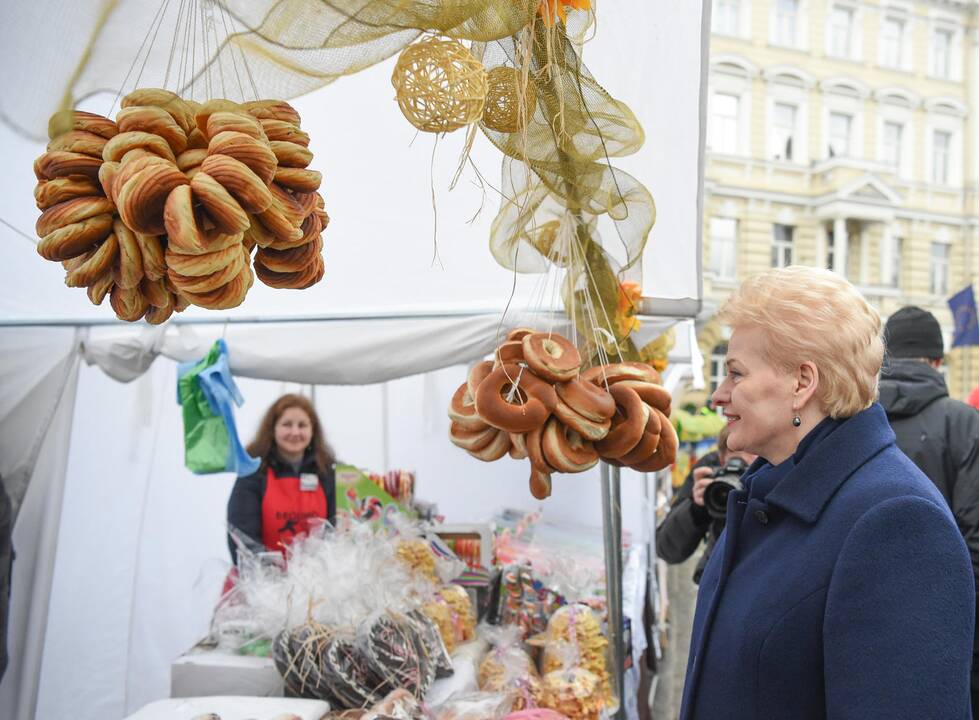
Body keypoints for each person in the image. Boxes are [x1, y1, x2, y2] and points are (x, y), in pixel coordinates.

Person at [680, 266, 974, 719]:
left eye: (736, 373)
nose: (719, 394)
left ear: (802, 383)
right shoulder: (768, 491)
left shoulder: (896, 522)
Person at [878, 305, 979, 707]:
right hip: (950, 623)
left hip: (863, 618)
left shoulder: (851, 419)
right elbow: (976, 534)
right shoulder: (964, 422)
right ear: (937, 362)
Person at [226, 394, 337, 564]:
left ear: (313, 430)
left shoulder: (328, 472)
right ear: (272, 429)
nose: (295, 432)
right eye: (287, 424)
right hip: (264, 585)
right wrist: (272, 581)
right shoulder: (253, 472)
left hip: (317, 585)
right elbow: (242, 536)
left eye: (302, 425)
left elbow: (336, 532)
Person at [655, 425, 756, 583]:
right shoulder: (710, 472)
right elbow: (666, 549)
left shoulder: (777, 476)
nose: (744, 461)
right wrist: (696, 509)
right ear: (722, 459)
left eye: (753, 451)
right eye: (734, 452)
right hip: (717, 579)